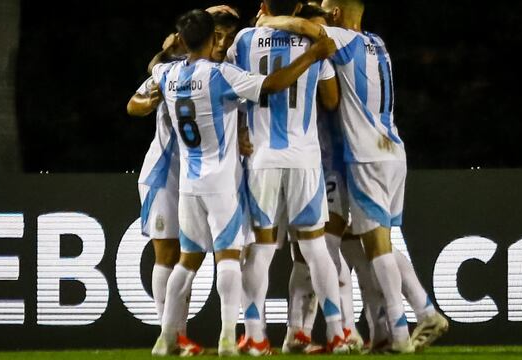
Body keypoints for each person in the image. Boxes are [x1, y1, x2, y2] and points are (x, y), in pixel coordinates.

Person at [257, 0, 449, 353]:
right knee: (369, 247)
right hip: (391, 148)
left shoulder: (337, 42)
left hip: (361, 157)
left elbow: (311, 38)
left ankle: (396, 329)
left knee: (357, 248)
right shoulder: (378, 44)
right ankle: (378, 328)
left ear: (335, 15)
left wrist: (270, 20)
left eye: (327, 9)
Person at [149, 9, 336, 356]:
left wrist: (166, 50)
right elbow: (273, 85)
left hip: (188, 184)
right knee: (230, 258)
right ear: (214, 39)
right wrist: (311, 55)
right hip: (221, 181)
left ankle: (165, 338)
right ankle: (227, 338)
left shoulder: (168, 73)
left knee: (187, 261)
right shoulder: (221, 75)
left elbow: (151, 73)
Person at [227, 0, 350, 354]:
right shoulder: (315, 42)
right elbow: (330, 99)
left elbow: (233, 90)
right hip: (305, 157)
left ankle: (255, 335)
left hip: (262, 156)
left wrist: (240, 131)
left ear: (264, 5)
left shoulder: (245, 40)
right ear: (298, 6)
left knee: (261, 249)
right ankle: (338, 332)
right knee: (314, 247)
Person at [126, 6, 243, 357]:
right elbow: (133, 104)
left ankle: (177, 336)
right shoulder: (174, 69)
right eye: (217, 35)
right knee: (168, 255)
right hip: (165, 173)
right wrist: (149, 102)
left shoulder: (213, 71)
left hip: (195, 178)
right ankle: (172, 336)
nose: (222, 43)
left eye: (228, 37)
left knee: (187, 257)